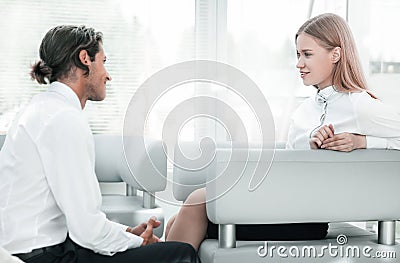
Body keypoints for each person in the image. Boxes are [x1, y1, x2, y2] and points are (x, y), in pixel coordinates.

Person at [165, 13, 400, 251]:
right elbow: (292, 165)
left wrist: (362, 142)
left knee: (196, 202)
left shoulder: (359, 105)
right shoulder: (304, 110)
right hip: (281, 201)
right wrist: (312, 148)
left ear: (336, 54)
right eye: (298, 54)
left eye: (307, 54)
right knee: (179, 218)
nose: (299, 63)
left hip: (304, 217)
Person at [0, 25, 199, 263]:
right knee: (181, 253)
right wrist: (136, 241)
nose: (107, 74)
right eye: (103, 61)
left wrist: (126, 233)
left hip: (36, 248)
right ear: (85, 59)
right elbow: (86, 229)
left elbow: (81, 222)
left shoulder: (39, 109)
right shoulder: (64, 119)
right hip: (45, 256)